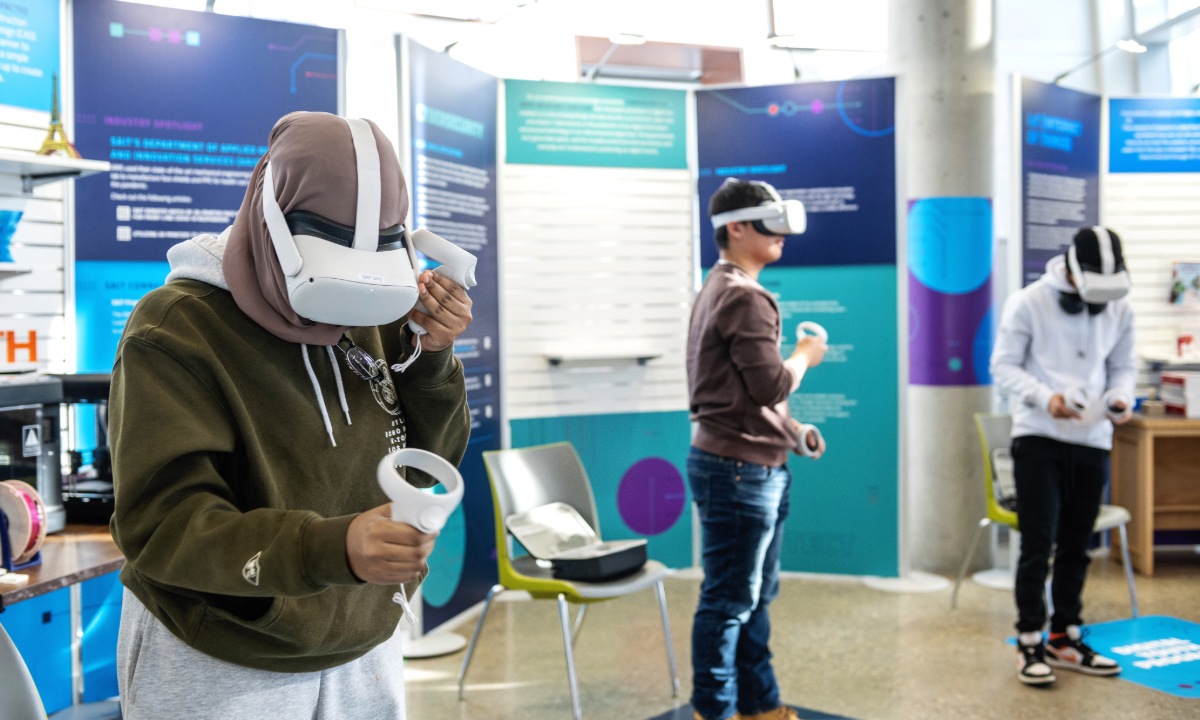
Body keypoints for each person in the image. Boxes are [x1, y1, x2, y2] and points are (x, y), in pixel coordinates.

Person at [107, 111, 473, 719]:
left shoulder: (376, 305)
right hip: (222, 651)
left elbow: (426, 464)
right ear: (270, 211)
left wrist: (429, 357)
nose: (345, 292)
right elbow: (164, 527)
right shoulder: (177, 330)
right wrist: (327, 549)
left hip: (364, 639)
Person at [686, 178, 828, 720]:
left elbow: (740, 393)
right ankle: (717, 711)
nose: (782, 235)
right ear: (735, 228)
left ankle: (760, 703)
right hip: (741, 473)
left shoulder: (719, 286)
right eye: (768, 222)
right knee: (729, 603)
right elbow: (770, 385)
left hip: (746, 465)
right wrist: (806, 355)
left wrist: (793, 433)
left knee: (750, 598)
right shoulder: (745, 295)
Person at [990, 226, 1137, 687]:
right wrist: (1044, 396)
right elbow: (1003, 365)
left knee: (1078, 544)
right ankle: (1029, 637)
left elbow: (1123, 365)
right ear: (1071, 266)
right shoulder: (1029, 301)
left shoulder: (1121, 306)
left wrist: (1120, 397)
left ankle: (1065, 635)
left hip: (1093, 439)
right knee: (1038, 543)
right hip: (1039, 437)